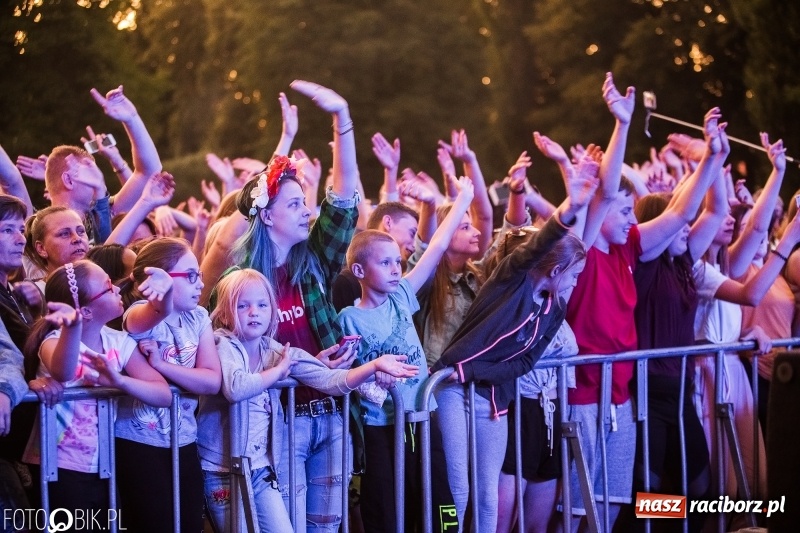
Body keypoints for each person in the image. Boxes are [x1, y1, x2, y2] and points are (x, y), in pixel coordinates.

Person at [205, 81, 360, 532]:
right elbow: (232, 360)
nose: (307, 211)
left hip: (330, 416)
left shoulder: (314, 263)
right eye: (295, 204)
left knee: (326, 528)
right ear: (268, 215)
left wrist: (341, 118)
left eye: (305, 202)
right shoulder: (237, 283)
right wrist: (307, 365)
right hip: (278, 425)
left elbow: (343, 202)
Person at [429, 139, 600, 532]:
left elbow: (524, 362)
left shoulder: (555, 308)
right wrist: (569, 208)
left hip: (493, 396)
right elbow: (537, 245)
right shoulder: (512, 280)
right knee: (458, 491)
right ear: (555, 271)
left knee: (488, 497)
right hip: (452, 388)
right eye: (574, 274)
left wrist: (473, 371)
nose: (576, 283)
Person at [197, 268, 417, 533]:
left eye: (262, 305)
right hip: (222, 470)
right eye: (242, 306)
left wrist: (373, 365)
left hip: (261, 469)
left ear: (272, 311)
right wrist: (279, 372)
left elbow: (329, 379)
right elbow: (236, 387)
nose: (254, 312)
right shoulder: (222, 344)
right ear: (224, 314)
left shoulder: (274, 351)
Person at [338, 178, 473, 532]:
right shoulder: (349, 318)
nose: (396, 269)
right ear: (359, 271)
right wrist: (375, 381)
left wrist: (464, 199)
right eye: (385, 263)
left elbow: (437, 246)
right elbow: (349, 376)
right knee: (387, 508)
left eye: (397, 262)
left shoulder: (402, 296)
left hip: (422, 415)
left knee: (436, 500)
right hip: (381, 427)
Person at [22, 261, 171, 531]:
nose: (117, 288)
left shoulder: (118, 341)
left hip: (102, 465)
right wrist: (72, 329)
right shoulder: (54, 340)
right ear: (86, 311)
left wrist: (120, 381)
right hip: (57, 467)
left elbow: (163, 394)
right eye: (107, 286)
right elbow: (64, 371)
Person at [116, 237, 221, 532]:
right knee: (154, 524)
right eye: (190, 275)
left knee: (190, 523)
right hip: (139, 442)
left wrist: (163, 366)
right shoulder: (138, 313)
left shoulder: (198, 317)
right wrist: (162, 294)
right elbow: (156, 312)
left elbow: (211, 380)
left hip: (184, 437)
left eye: (199, 274)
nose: (201, 283)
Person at [44, 85, 163, 244]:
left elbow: (149, 172)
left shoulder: (103, 211)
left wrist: (132, 120)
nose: (98, 180)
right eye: (89, 173)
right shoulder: (40, 230)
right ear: (69, 180)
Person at [332, 201, 419, 311]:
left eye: (397, 262)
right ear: (388, 223)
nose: (415, 246)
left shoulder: (397, 286)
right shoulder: (344, 283)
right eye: (412, 233)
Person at [25, 206, 90, 285]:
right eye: (64, 234)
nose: (77, 239)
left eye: (81, 231)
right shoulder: (35, 291)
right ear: (41, 248)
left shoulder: (102, 281)